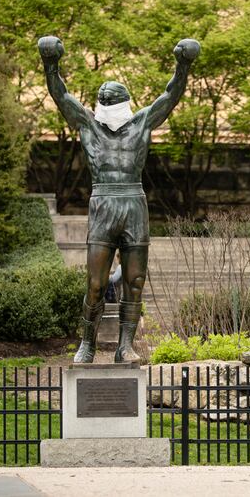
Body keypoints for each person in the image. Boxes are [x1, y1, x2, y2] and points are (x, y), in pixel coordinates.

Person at [38, 35, 200, 364]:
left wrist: (182, 66)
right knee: (96, 283)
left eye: (112, 100)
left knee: (135, 280)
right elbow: (62, 96)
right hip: (103, 202)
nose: (107, 103)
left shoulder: (141, 122)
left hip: (133, 202)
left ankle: (125, 347)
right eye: (103, 99)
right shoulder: (87, 124)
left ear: (125, 103)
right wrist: (50, 65)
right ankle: (87, 343)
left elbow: (170, 96)